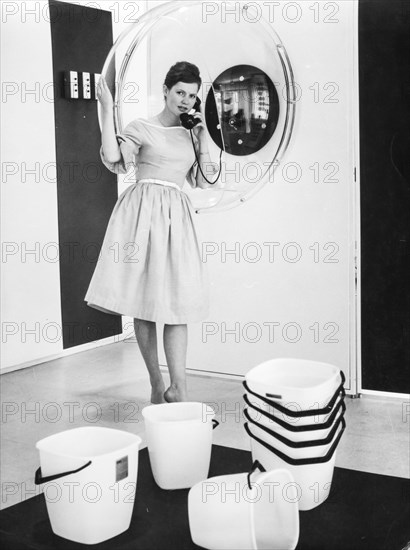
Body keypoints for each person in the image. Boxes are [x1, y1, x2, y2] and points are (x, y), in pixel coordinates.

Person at [84, 61, 217, 404]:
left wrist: (204, 138)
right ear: (166, 91)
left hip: (177, 219)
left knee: (177, 305)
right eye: (180, 93)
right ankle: (157, 382)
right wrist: (105, 108)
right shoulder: (141, 127)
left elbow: (204, 180)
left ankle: (180, 386)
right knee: (143, 304)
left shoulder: (192, 133)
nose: (186, 100)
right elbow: (114, 157)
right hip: (141, 214)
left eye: (192, 95)